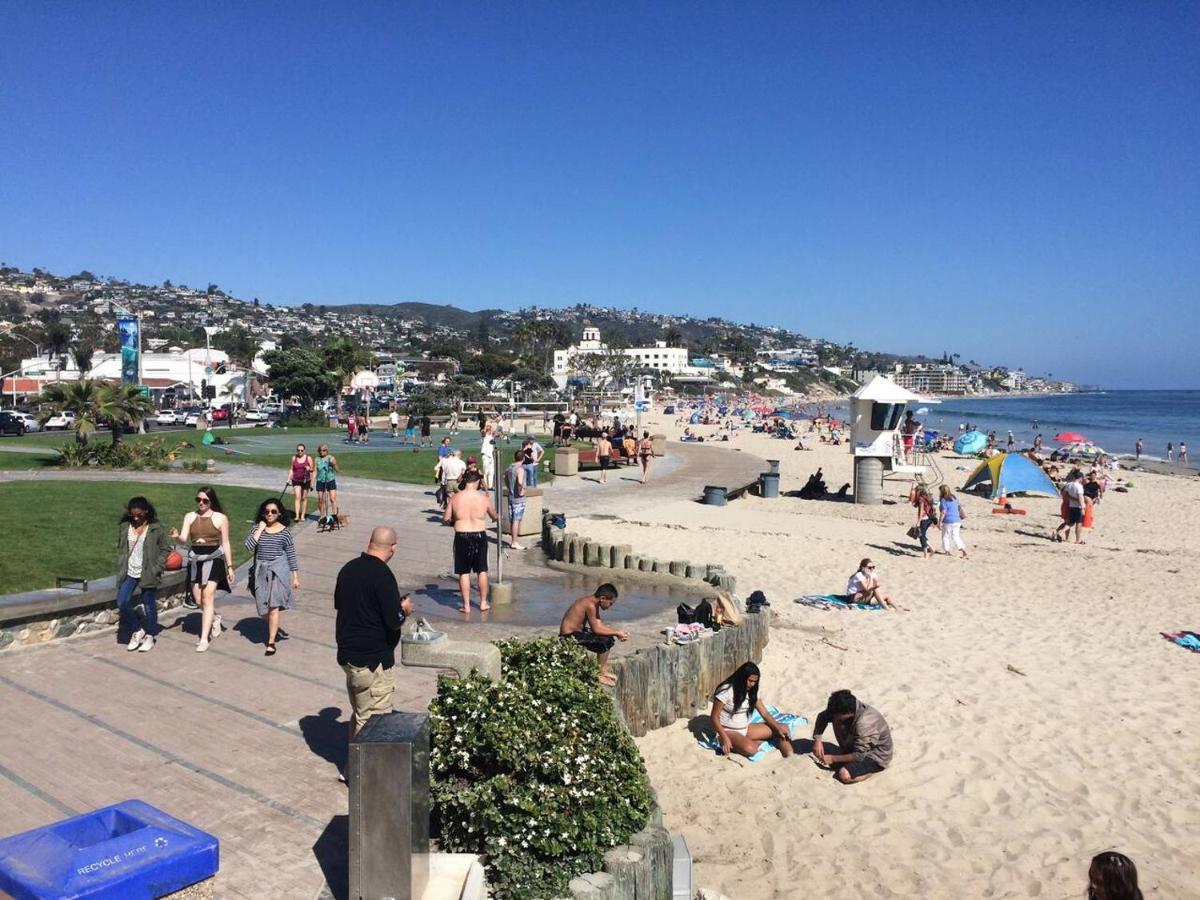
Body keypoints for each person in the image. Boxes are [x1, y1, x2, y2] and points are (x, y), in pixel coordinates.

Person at [334, 526, 414, 779]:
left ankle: (351, 767)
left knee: (360, 713)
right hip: (373, 661)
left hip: (349, 657)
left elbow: (343, 605)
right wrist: (405, 610)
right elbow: (393, 620)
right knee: (375, 720)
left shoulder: (348, 569)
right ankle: (363, 775)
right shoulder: (383, 576)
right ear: (393, 547)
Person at [172, 486, 234, 652]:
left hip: (213, 559)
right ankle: (215, 617)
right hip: (195, 560)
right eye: (198, 500)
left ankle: (204, 639)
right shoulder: (190, 517)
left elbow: (226, 543)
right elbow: (184, 539)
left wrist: (230, 566)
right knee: (198, 600)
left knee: (207, 598)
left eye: (205, 500)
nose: (201, 503)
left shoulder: (221, 518)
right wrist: (177, 536)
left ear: (211, 501)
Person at [116, 496, 170, 653]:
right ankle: (137, 629)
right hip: (130, 571)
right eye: (133, 515)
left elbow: (165, 549)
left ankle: (151, 635)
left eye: (139, 515)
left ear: (146, 511)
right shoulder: (125, 526)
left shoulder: (155, 528)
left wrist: (157, 567)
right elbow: (121, 548)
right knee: (122, 601)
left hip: (148, 571)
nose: (136, 518)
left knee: (149, 605)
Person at [246, 499, 300, 656]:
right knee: (263, 609)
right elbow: (248, 546)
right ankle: (273, 628)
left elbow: (291, 554)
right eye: (267, 511)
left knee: (274, 606)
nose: (270, 514)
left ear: (279, 513)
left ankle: (271, 642)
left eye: (273, 511)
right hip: (261, 570)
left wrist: (295, 576)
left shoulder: (285, 532)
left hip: (279, 570)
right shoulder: (257, 528)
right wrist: (260, 529)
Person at [709, 662, 793, 758]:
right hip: (727, 730)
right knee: (751, 749)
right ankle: (740, 743)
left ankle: (791, 758)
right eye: (750, 681)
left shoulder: (752, 691)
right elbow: (714, 717)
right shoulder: (726, 690)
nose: (752, 684)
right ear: (742, 678)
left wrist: (777, 727)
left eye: (755, 682)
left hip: (746, 728)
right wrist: (724, 737)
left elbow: (764, 713)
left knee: (783, 729)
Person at [810, 689, 893, 784]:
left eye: (837, 716)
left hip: (875, 756)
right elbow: (822, 717)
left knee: (844, 775)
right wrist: (818, 740)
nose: (835, 717)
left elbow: (859, 756)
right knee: (835, 764)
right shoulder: (842, 708)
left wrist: (832, 758)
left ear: (848, 712)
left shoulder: (864, 723)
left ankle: (870, 772)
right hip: (853, 748)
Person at [444, 470, 498, 612]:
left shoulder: (456, 498)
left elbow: (446, 518)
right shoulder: (483, 498)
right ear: (477, 482)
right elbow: (494, 515)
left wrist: (456, 519)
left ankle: (467, 605)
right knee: (482, 570)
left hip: (462, 535)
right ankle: (483, 602)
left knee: (464, 572)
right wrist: (496, 516)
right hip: (479, 534)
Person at [559, 583, 627, 686]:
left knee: (609, 638)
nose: (610, 607)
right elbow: (597, 629)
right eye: (610, 603)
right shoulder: (590, 605)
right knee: (605, 642)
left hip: (577, 632)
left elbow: (598, 624)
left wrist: (616, 632)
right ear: (603, 598)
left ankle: (602, 669)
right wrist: (616, 632)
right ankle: (599, 673)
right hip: (568, 636)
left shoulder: (592, 602)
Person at [504, 449, 527, 550]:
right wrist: (521, 490)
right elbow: (520, 482)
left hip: (511, 496)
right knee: (516, 520)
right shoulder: (520, 469)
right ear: (523, 458)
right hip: (518, 498)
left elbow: (505, 478)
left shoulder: (509, 468)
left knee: (513, 519)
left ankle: (513, 540)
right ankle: (514, 542)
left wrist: (509, 488)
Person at [937, 484, 969, 559]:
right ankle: (964, 551)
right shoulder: (954, 498)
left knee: (945, 535)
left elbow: (943, 512)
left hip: (948, 520)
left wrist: (939, 522)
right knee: (956, 536)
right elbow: (958, 507)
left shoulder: (943, 500)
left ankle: (947, 551)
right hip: (957, 520)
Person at [1055, 469, 1086, 544]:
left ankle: (1061, 531)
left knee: (1071, 522)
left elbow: (1064, 495)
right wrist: (1083, 507)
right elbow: (1080, 497)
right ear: (1080, 478)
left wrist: (1071, 498)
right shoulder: (1079, 486)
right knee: (1079, 523)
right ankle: (1078, 540)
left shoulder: (1069, 484)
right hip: (1078, 506)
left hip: (1071, 505)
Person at [315, 444, 341, 528]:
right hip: (320, 480)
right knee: (320, 499)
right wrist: (312, 481)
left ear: (327, 450)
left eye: (324, 450)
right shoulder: (317, 459)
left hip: (330, 480)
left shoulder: (331, 457)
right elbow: (315, 471)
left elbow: (337, 470)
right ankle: (322, 515)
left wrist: (334, 464)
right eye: (321, 450)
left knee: (332, 498)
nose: (322, 452)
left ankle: (334, 516)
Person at [287, 443, 315, 522]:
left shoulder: (308, 458)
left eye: (301, 450)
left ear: (304, 451)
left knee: (304, 498)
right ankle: (296, 516)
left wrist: (309, 468)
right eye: (298, 450)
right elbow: (291, 469)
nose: (300, 452)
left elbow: (312, 470)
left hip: (306, 480)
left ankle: (302, 515)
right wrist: (288, 478)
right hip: (296, 480)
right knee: (297, 497)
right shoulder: (294, 458)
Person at [913, 485, 937, 560]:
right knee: (922, 535)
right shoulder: (928, 497)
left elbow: (921, 511)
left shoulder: (921, 499)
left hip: (924, 519)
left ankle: (926, 554)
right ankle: (932, 549)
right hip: (930, 519)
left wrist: (918, 522)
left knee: (921, 537)